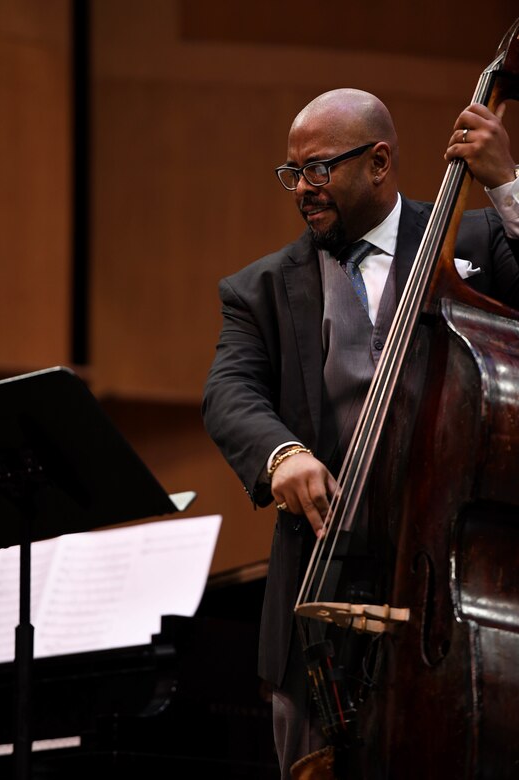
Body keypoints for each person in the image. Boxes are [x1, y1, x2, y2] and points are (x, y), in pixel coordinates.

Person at [201, 88, 519, 778]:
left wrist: (506, 183)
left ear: (378, 163)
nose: (302, 189)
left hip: (455, 589)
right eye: (292, 173)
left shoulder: (476, 242)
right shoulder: (258, 289)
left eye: (318, 169)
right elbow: (229, 392)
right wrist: (281, 454)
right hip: (319, 601)